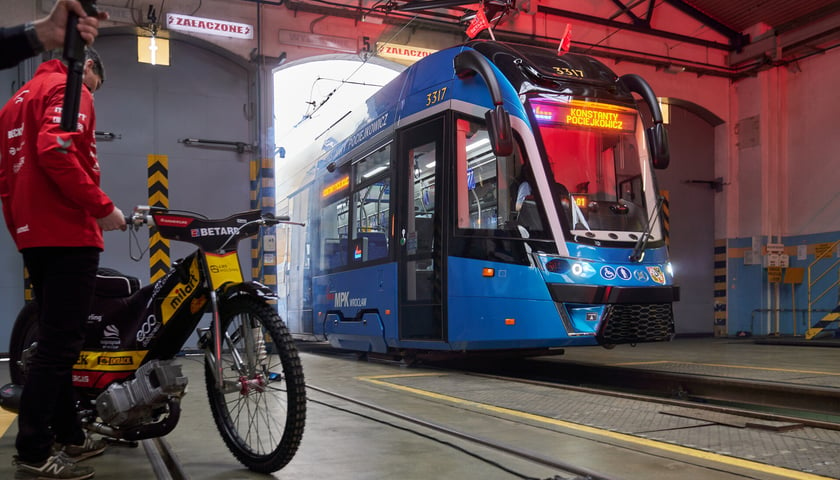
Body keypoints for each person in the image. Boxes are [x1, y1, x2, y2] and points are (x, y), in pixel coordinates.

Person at [0, 46, 125, 480]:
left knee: (56, 342)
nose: (93, 96)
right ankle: (34, 450)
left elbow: (5, 180)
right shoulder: (72, 89)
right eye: (95, 86)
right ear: (88, 66)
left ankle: (71, 434)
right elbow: (55, 150)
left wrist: (22, 233)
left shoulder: (17, 101)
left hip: (35, 235)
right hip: (67, 233)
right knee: (59, 347)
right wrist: (101, 206)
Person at [0, 0, 108, 70]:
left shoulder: (37, 83)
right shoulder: (60, 86)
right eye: (91, 88)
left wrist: (49, 31)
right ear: (89, 65)